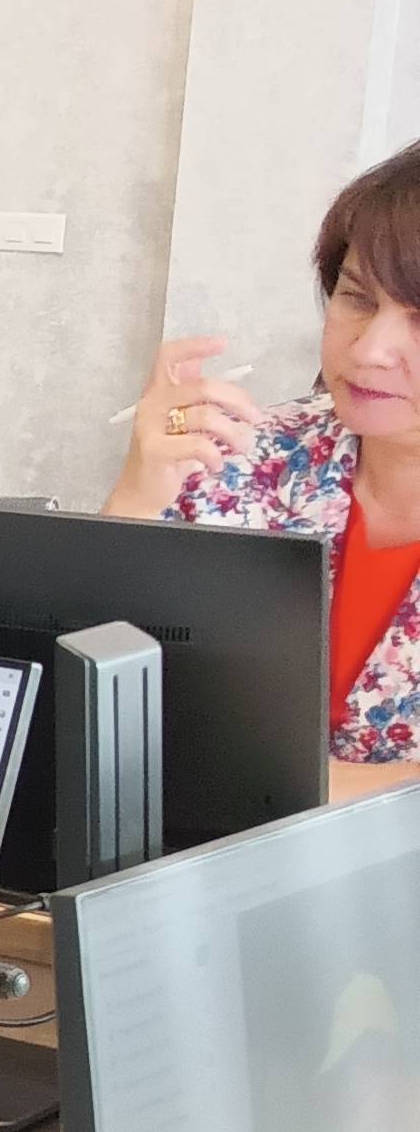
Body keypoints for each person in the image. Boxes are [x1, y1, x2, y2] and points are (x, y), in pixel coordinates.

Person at [106, 138, 420, 788]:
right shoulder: (243, 450)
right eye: (358, 299)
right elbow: (87, 693)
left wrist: (278, 792)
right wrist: (137, 497)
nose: (370, 350)